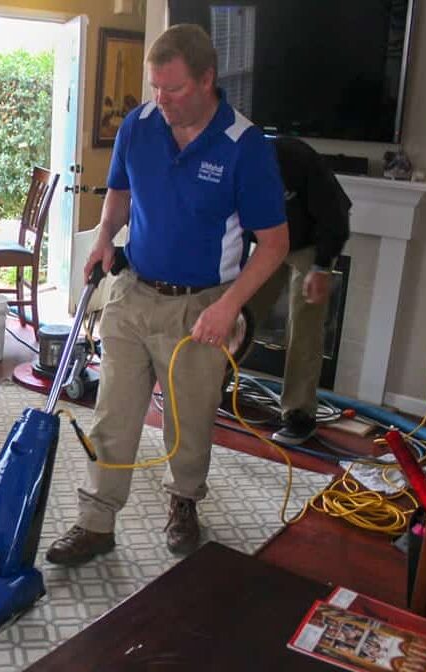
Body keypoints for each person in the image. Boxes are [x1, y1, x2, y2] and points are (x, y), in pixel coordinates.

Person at [46, 24, 289, 566]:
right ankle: (96, 520)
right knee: (113, 412)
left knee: (189, 418)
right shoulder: (141, 124)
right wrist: (105, 237)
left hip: (202, 303)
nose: (162, 100)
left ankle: (183, 501)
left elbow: (275, 244)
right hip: (133, 292)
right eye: (156, 87)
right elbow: (120, 191)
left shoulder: (243, 146)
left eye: (174, 89)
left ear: (208, 80)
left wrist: (229, 307)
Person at [246, 136, 351, 445]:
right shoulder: (237, 167)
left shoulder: (296, 159)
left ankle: (299, 414)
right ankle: (215, 383)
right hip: (268, 241)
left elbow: (335, 218)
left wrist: (320, 268)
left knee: (305, 324)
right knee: (241, 313)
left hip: (312, 240)